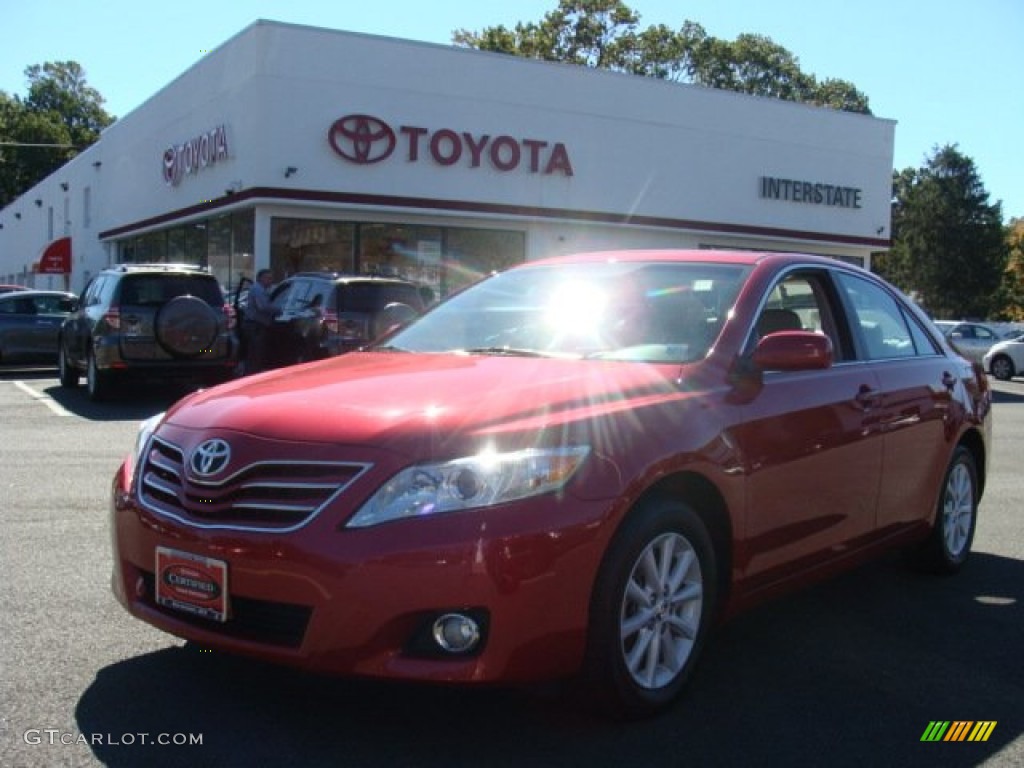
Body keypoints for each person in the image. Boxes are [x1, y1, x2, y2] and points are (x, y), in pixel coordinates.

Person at [242, 269, 281, 374]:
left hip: (255, 325)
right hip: (255, 326)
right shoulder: (258, 290)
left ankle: (251, 374)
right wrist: (279, 310)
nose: (271, 281)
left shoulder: (259, 289)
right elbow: (263, 307)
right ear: (260, 278)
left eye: (271, 278)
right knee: (256, 354)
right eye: (268, 278)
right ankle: (252, 375)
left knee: (254, 353)